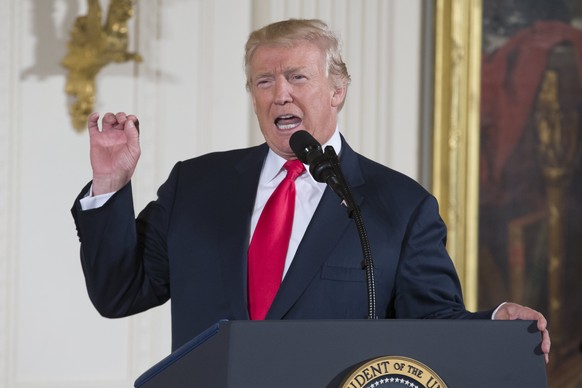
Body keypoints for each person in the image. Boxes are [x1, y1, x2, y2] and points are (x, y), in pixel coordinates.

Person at [71, 18, 550, 362]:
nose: (280, 93)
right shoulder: (196, 186)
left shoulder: (399, 206)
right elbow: (120, 292)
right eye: (264, 81)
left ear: (337, 90)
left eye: (297, 77)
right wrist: (111, 182)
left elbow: (432, 323)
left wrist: (495, 326)